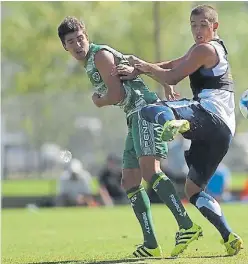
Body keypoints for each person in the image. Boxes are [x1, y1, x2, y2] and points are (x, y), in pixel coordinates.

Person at [57, 17, 202, 258]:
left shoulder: (100, 56)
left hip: (144, 111)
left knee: (150, 172)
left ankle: (186, 225)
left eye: (80, 38)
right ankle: (151, 244)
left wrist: (99, 101)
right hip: (133, 115)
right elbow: (131, 71)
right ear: (65, 47)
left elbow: (116, 94)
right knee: (130, 181)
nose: (77, 44)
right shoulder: (92, 61)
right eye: (71, 42)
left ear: (87, 36)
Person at [112, 5, 243, 256]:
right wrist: (142, 68)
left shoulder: (205, 48)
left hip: (208, 115)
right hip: (224, 131)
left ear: (215, 26)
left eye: (203, 25)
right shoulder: (208, 48)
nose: (197, 30)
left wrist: (142, 66)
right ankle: (229, 237)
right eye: (193, 25)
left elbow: (172, 77)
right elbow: (175, 64)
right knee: (193, 190)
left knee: (149, 111)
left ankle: (181, 124)